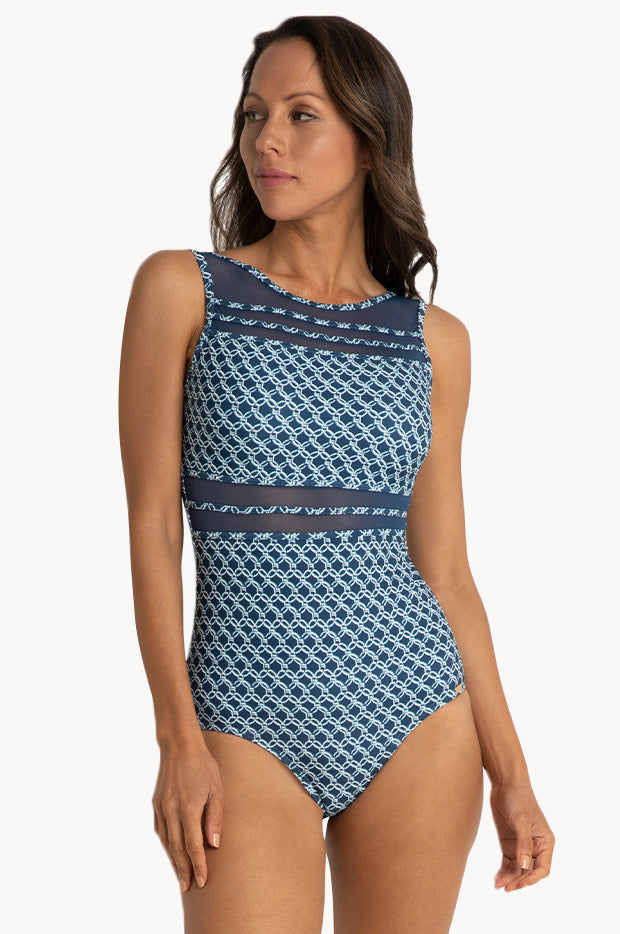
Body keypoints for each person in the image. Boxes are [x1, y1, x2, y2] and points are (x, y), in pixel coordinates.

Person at [119, 14, 555, 933]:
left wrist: (513, 775)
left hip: (417, 712)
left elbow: (447, 572)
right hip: (240, 716)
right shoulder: (183, 291)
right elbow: (153, 527)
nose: (266, 140)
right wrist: (176, 740)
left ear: (369, 137)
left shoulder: (435, 342)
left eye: (301, 114)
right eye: (253, 114)